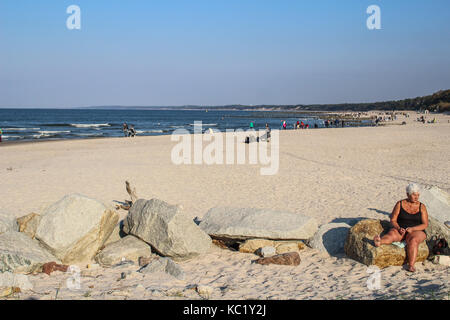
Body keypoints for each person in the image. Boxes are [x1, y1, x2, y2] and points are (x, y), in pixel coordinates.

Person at [373, 183, 429, 272]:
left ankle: (411, 265)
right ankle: (380, 241)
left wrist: (413, 229)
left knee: (413, 240)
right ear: (408, 194)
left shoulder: (422, 207)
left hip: (416, 230)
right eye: (414, 195)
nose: (416, 197)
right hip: (401, 229)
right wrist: (399, 228)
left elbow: (425, 224)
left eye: (418, 195)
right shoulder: (400, 204)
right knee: (391, 235)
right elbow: (393, 220)